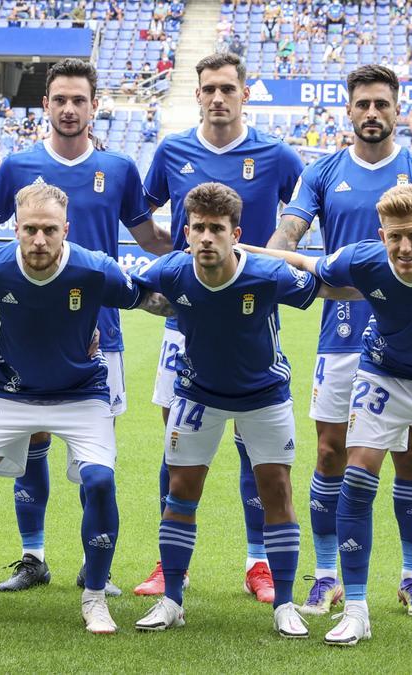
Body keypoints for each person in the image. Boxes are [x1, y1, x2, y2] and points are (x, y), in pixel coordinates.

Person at [0, 58, 172, 594]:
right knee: (32, 438)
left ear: (95, 106)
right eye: (60, 100)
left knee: (96, 458)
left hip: (101, 333)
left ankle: (95, 569)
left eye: (80, 100)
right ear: (45, 105)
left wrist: (216, 256)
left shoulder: (119, 168)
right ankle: (33, 554)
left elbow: (152, 241)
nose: (69, 109)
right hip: (29, 329)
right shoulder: (19, 165)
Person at [254, 183, 412, 655]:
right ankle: (356, 612)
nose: (404, 248)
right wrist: (244, 254)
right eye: (395, 237)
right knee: (356, 476)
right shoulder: (364, 260)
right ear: (381, 235)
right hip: (385, 371)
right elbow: (308, 265)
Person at [271, 64, 412, 618]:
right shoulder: (323, 172)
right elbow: (289, 235)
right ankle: (326, 574)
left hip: (408, 339)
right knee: (330, 452)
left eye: (382, 104)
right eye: (363, 105)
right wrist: (265, 262)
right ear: (348, 111)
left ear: (397, 110)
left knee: (411, 453)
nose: (372, 113)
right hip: (341, 338)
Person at [0, 182, 168, 632]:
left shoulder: (95, 269)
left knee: (100, 481)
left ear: (66, 229)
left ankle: (95, 598)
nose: (39, 240)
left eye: (49, 229)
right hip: (9, 392)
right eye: (29, 229)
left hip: (80, 394)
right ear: (15, 229)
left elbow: (148, 298)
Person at [129, 180, 349, 636]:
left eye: (216, 229)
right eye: (198, 228)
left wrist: (391, 288)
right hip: (196, 393)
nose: (206, 237)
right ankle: (172, 599)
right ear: (185, 232)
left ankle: (284, 604)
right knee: (180, 493)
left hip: (264, 396)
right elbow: (121, 291)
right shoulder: (171, 270)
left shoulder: (267, 275)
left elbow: (327, 290)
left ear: (236, 233)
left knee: (277, 491)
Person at [137, 52, 304, 600]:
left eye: (227, 88)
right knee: (177, 443)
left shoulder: (275, 155)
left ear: (244, 93)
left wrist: (269, 260)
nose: (217, 98)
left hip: (252, 320)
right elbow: (141, 218)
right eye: (208, 89)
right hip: (186, 321)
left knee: (254, 452)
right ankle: (169, 569)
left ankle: (258, 562)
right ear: (197, 93)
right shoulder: (172, 150)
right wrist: (175, 265)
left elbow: (303, 213)